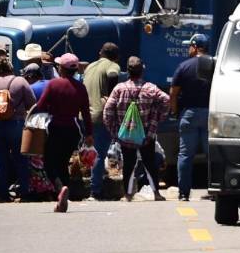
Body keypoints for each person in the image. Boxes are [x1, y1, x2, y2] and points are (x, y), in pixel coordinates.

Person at [31, 53, 93, 212]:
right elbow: (86, 113)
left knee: (49, 164)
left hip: (54, 128)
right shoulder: (81, 87)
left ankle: (61, 190)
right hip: (73, 131)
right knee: (63, 163)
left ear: (62, 69)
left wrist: (30, 115)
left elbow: (41, 105)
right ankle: (63, 197)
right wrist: (89, 134)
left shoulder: (53, 84)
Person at [103, 56, 169, 201]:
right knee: (149, 163)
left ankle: (127, 194)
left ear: (127, 71)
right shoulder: (150, 88)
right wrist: (158, 119)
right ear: (142, 70)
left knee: (128, 164)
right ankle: (156, 193)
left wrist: (115, 131)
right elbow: (166, 99)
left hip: (126, 135)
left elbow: (107, 111)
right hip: (146, 134)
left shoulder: (119, 89)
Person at [0, 58, 35, 203]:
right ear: (11, 68)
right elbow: (32, 102)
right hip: (16, 124)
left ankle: (2, 193)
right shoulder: (20, 82)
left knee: (0, 159)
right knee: (21, 158)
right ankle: (24, 192)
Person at [170, 33, 214, 201]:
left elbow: (173, 93)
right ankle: (215, 190)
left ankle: (183, 193)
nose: (188, 49)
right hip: (211, 115)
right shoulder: (215, 66)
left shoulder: (183, 66)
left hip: (189, 114)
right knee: (213, 155)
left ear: (196, 47)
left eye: (190, 45)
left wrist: (174, 112)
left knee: (185, 155)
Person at [82, 42, 121, 199]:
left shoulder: (90, 66)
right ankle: (95, 190)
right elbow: (113, 74)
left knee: (91, 151)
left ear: (100, 53)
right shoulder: (113, 65)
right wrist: (111, 94)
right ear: (116, 57)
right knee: (99, 153)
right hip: (100, 115)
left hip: (85, 115)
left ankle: (95, 179)